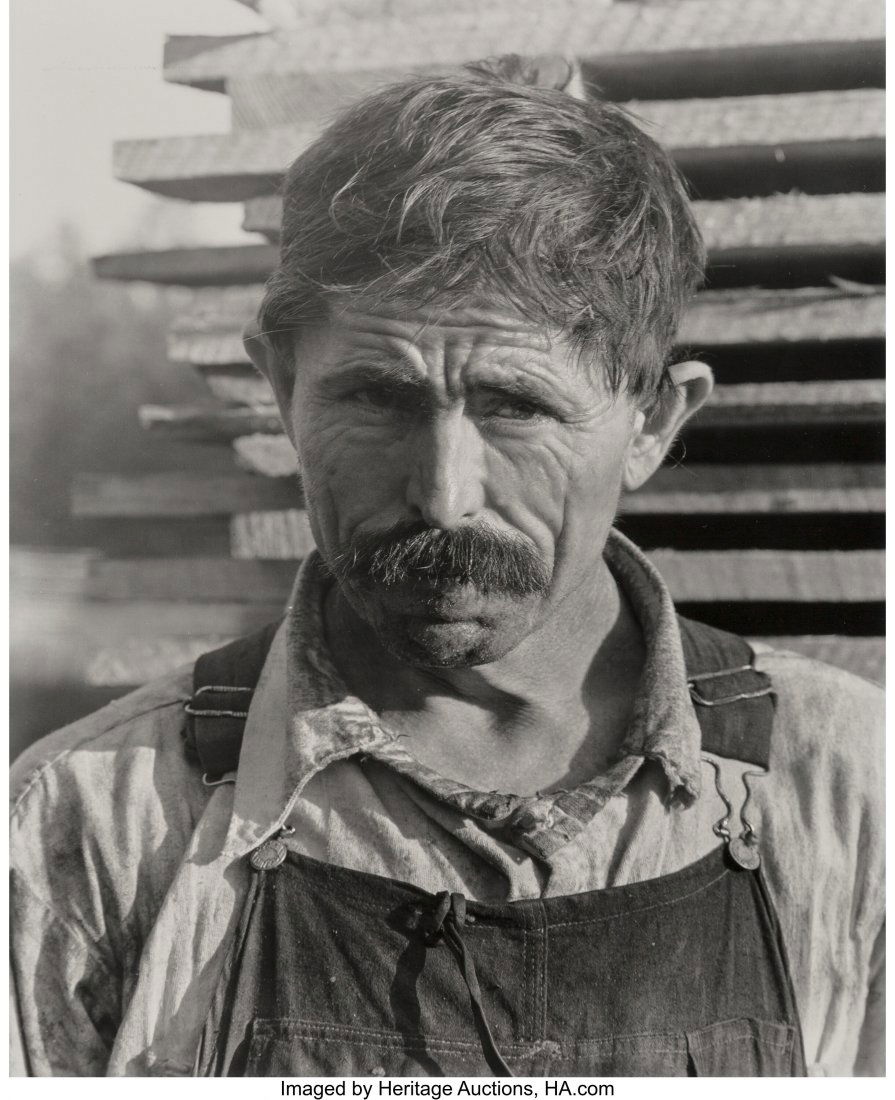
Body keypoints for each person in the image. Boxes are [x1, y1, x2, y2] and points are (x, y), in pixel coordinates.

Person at [10, 63, 883, 1078]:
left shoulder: (852, 791)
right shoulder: (89, 824)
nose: (443, 493)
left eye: (516, 405)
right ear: (280, 387)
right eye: (377, 398)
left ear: (653, 420)